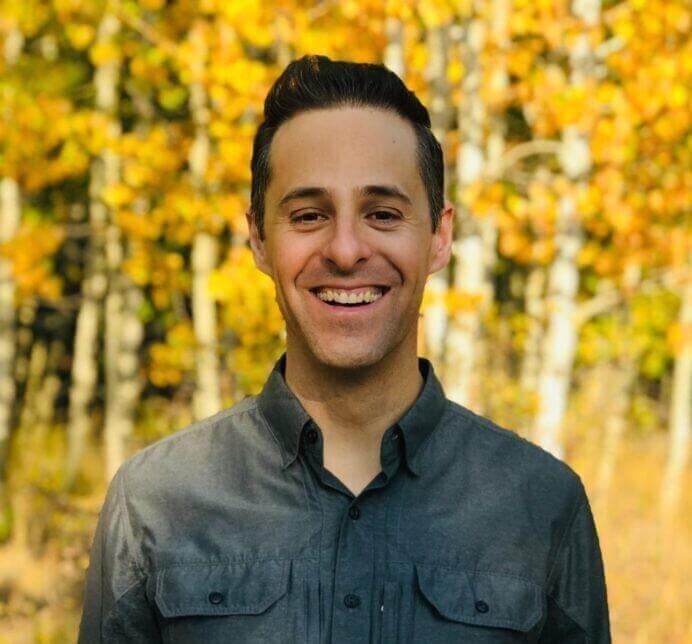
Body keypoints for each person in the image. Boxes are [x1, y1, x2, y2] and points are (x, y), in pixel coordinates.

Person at [78, 55, 610, 643]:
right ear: (258, 238)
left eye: (382, 214)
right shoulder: (154, 501)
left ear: (439, 236)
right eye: (309, 215)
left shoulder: (542, 505)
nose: (346, 250)